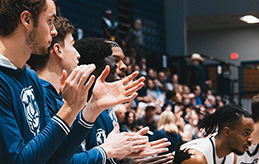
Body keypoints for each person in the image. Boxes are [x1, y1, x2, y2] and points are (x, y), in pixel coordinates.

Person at [0, 0, 118, 163]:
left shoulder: (31, 77)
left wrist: (86, 109)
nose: (54, 31)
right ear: (26, 20)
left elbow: (53, 158)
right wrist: (69, 108)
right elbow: (18, 161)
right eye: (49, 21)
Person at [28, 16, 167, 163]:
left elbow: (66, 156)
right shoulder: (39, 95)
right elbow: (54, 161)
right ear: (58, 50)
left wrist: (123, 158)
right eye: (73, 45)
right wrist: (108, 151)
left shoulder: (64, 98)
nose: (78, 54)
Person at [175, 104, 254, 164]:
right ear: (227, 132)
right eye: (245, 133)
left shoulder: (231, 157)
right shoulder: (196, 158)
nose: (251, 139)